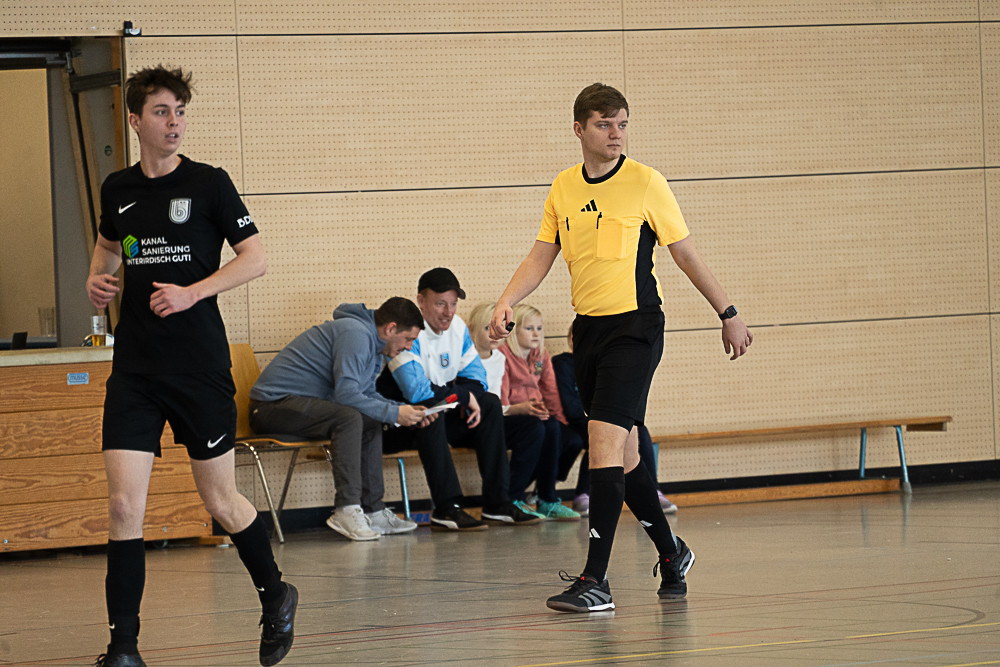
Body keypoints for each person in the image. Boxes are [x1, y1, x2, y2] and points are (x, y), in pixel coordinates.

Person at [490, 83, 752, 613]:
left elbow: (685, 254)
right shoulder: (564, 187)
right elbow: (541, 254)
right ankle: (672, 554)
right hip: (589, 332)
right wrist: (506, 300)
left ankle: (596, 581)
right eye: (604, 124)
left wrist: (728, 313)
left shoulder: (647, 182)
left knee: (604, 444)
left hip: (635, 329)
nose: (616, 134)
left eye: (623, 124)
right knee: (627, 456)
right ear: (579, 129)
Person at [85, 67, 295, 666]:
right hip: (135, 371)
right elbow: (108, 248)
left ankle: (275, 593)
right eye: (161, 111)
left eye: (180, 111)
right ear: (135, 120)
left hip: (198, 367)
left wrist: (192, 293)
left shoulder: (210, 184)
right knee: (123, 507)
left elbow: (254, 259)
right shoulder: (117, 188)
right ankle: (123, 648)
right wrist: (97, 282)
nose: (174, 121)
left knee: (221, 501)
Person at [248, 298, 429, 541]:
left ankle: (373, 510)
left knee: (370, 420)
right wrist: (395, 414)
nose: (409, 347)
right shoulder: (355, 334)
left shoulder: (374, 346)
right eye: (408, 339)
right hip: (270, 407)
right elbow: (347, 395)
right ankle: (346, 509)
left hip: (300, 406)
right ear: (390, 328)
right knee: (349, 417)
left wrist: (404, 410)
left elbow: (365, 395)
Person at [378, 268, 543, 529]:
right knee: (431, 408)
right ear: (421, 301)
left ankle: (498, 503)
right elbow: (417, 391)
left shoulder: (457, 328)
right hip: (403, 421)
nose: (448, 312)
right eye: (440, 304)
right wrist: (464, 396)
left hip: (444, 412)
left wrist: (466, 396)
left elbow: (478, 379)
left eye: (453, 304)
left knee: (489, 402)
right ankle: (447, 507)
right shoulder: (408, 332)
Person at [552, 325, 677, 516]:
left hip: (600, 418)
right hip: (574, 422)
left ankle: (653, 490)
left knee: (638, 428)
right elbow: (569, 405)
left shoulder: (605, 363)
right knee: (600, 435)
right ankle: (583, 494)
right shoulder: (564, 363)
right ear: (572, 340)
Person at [499, 304, 580, 521]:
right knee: (537, 429)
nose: (536, 333)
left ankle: (547, 499)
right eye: (529, 328)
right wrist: (521, 409)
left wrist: (560, 421)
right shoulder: (503, 355)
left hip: (534, 414)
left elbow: (550, 391)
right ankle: (513, 497)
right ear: (514, 331)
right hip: (509, 415)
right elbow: (502, 398)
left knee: (556, 428)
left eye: (539, 328)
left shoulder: (541, 356)